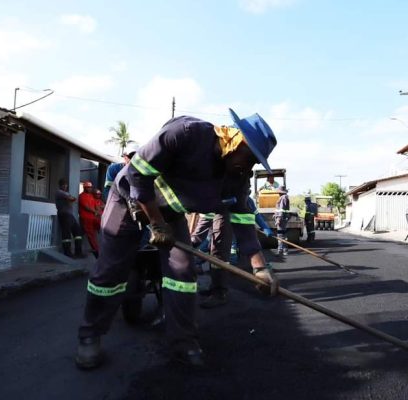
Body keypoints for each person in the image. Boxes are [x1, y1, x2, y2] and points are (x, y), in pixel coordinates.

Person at [75, 109, 279, 370]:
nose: (249, 167)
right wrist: (156, 224)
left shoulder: (237, 176)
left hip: (169, 213)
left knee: (182, 272)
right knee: (111, 269)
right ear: (237, 142)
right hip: (129, 200)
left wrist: (261, 268)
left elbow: (242, 219)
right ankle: (90, 334)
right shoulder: (186, 133)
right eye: (251, 158)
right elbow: (137, 174)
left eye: (256, 163)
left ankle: (183, 342)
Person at [199, 196, 275, 309]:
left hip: (234, 230)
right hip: (219, 228)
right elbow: (207, 217)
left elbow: (255, 215)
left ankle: (220, 292)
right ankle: (216, 287)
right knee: (216, 258)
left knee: (221, 258)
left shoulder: (246, 199)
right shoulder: (217, 193)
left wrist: (264, 227)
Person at [55, 178, 84, 258]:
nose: (65, 186)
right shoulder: (59, 192)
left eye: (65, 185)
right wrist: (71, 198)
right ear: (60, 186)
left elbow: (73, 198)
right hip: (64, 214)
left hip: (70, 215)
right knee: (66, 233)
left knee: (77, 231)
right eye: (63, 185)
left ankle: (78, 252)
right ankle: (67, 252)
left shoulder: (65, 193)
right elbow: (72, 198)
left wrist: (71, 198)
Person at [79, 182, 101, 258]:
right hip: (86, 218)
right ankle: (96, 251)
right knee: (91, 235)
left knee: (101, 229)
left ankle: (99, 249)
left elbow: (96, 205)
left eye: (90, 187)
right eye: (88, 187)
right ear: (84, 188)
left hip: (93, 218)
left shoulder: (91, 196)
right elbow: (86, 207)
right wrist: (95, 212)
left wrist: (98, 212)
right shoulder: (82, 196)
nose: (90, 188)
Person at [274, 186, 290, 256]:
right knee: (282, 234)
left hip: (282, 219)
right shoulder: (284, 197)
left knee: (281, 235)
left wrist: (278, 219)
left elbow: (281, 209)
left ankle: (282, 250)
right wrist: (275, 215)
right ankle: (283, 250)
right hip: (283, 218)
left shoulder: (283, 198)